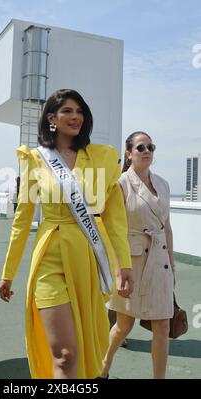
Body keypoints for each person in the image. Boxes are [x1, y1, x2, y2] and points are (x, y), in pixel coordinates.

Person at [0, 89, 133, 379]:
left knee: (85, 347)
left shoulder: (102, 158)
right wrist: (8, 273)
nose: (76, 117)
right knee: (65, 354)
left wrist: (124, 265)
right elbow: (22, 219)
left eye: (80, 112)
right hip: (50, 258)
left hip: (88, 257)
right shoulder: (35, 160)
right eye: (68, 111)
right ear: (51, 119)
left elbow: (115, 218)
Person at [101, 131, 175, 379]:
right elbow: (113, 231)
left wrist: (172, 266)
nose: (147, 151)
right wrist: (119, 271)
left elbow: (166, 227)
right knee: (123, 326)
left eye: (150, 147)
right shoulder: (120, 184)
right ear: (129, 153)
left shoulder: (163, 184)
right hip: (132, 263)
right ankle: (103, 366)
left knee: (162, 326)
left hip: (160, 262)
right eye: (141, 147)